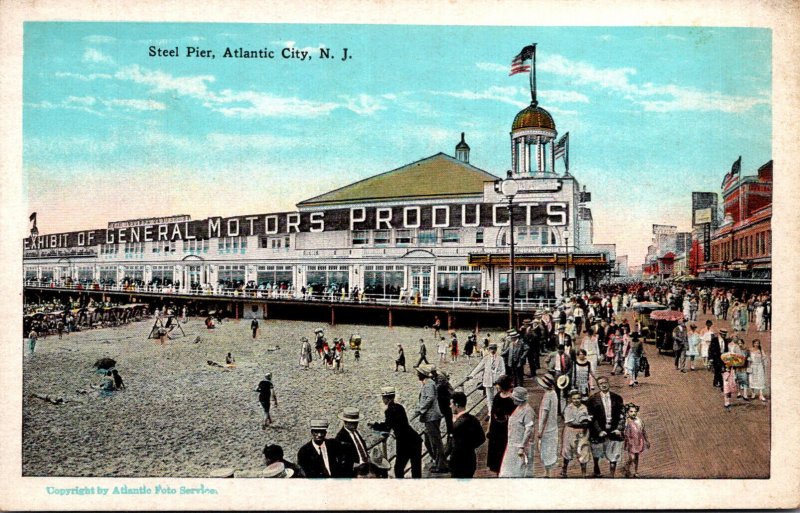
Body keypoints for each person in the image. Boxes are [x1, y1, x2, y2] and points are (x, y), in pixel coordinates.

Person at [369, 386, 423, 478]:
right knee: (416, 468)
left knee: (398, 468)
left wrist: (375, 425)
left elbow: (387, 426)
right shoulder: (400, 407)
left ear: (386, 398)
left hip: (404, 442)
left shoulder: (389, 411)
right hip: (415, 439)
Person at [587, 376, 625, 478]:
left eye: (605, 383)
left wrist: (619, 428)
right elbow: (592, 418)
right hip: (599, 430)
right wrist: (599, 430)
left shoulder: (617, 398)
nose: (603, 385)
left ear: (608, 383)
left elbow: (622, 415)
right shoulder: (592, 399)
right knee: (597, 451)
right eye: (600, 384)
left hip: (613, 429)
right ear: (598, 386)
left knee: (614, 454)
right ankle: (596, 468)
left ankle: (611, 475)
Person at [415, 364, 447, 473]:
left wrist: (421, 409)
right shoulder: (429, 383)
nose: (417, 375)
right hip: (431, 416)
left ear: (422, 374)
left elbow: (430, 398)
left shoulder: (428, 384)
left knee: (435, 441)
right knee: (431, 440)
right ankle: (438, 462)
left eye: (418, 373)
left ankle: (441, 464)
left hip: (431, 416)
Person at [498, 387, 535, 478]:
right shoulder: (518, 407)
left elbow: (529, 429)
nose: (512, 399)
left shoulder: (528, 411)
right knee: (506, 472)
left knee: (519, 472)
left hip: (520, 446)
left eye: (514, 398)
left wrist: (522, 447)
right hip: (512, 444)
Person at [448, 391, 486, 478]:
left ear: (457, 405)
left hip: (458, 462)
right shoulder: (473, 419)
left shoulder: (457, 424)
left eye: (451, 404)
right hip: (470, 459)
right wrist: (470, 447)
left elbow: (454, 445)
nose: (450, 406)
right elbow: (482, 438)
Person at [486, 374, 515, 474]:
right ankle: (498, 471)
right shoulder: (498, 397)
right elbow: (493, 412)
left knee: (504, 450)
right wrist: (489, 428)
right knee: (497, 451)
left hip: (505, 429)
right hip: (497, 428)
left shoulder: (511, 399)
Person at [467, 342, 506, 417]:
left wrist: (500, 379)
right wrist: (471, 375)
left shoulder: (500, 358)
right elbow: (479, 367)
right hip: (487, 380)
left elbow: (503, 370)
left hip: (496, 381)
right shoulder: (486, 358)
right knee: (489, 398)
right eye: (491, 349)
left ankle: (497, 413)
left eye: (494, 349)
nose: (492, 350)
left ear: (496, 349)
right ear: (488, 349)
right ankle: (490, 413)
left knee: (496, 397)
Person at [561, 389, 592, 478]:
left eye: (578, 398)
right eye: (574, 398)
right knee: (567, 451)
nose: (576, 400)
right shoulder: (568, 408)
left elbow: (587, 418)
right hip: (571, 431)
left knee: (583, 450)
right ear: (571, 399)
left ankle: (583, 473)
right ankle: (564, 469)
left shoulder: (584, 407)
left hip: (583, 432)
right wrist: (581, 423)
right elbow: (568, 422)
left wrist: (587, 422)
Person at [334, 408, 372, 477]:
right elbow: (341, 460)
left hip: (365, 467)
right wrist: (355, 465)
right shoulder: (341, 437)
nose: (355, 424)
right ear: (345, 422)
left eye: (356, 422)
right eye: (352, 422)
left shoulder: (355, 432)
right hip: (354, 472)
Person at [537, 373, 560, 477]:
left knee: (545, 449)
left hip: (547, 428)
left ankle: (547, 472)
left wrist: (540, 430)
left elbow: (545, 415)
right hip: (553, 426)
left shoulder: (547, 396)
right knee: (551, 449)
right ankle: (549, 471)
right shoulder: (554, 393)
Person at [622, 403, 650, 478]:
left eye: (635, 411)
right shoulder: (626, 421)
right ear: (627, 412)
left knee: (636, 457)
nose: (633, 413)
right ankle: (627, 466)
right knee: (632, 457)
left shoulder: (639, 420)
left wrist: (646, 441)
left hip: (638, 441)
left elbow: (643, 431)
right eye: (631, 411)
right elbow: (625, 433)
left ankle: (636, 471)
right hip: (630, 442)